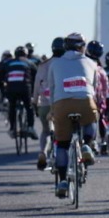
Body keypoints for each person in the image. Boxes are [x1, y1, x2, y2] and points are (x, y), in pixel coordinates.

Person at [48, 32, 102, 197]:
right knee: (92, 118)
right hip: (85, 102)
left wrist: (52, 110)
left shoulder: (55, 63)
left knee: (62, 144)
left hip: (62, 104)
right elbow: (95, 89)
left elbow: (52, 89)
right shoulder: (91, 63)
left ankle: (63, 180)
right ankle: (87, 144)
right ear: (82, 47)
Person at [33, 37, 65, 170]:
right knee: (64, 130)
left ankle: (43, 152)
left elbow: (36, 86)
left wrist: (35, 102)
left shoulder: (43, 65)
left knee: (45, 131)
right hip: (61, 103)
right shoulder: (65, 64)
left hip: (44, 104)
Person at [0, 46, 38, 139]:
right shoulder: (29, 62)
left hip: (11, 89)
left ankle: (12, 128)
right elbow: (36, 77)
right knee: (29, 107)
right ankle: (30, 127)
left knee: (12, 107)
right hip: (25, 88)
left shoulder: (8, 62)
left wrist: (3, 91)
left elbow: (0, 77)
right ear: (26, 54)